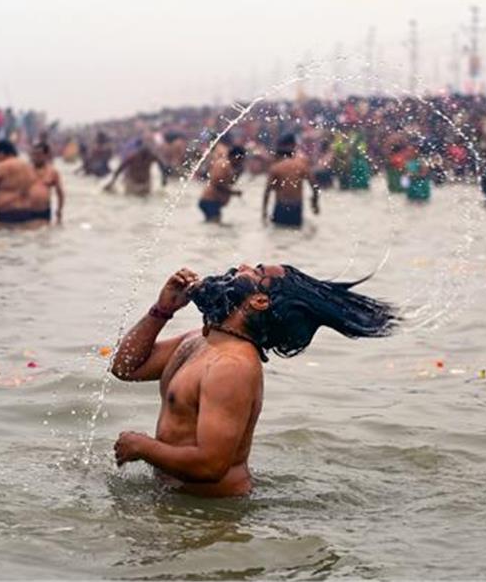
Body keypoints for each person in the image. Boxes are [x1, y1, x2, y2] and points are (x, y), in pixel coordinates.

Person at [111, 263, 395, 497]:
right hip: (177, 500)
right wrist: (163, 309)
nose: (241, 266)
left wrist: (142, 447)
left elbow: (211, 466)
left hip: (212, 517)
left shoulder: (232, 366)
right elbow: (125, 368)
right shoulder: (200, 339)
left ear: (258, 301)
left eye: (256, 271)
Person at [0, 140, 46, 224]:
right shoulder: (27, 166)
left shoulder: (2, 166)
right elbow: (33, 184)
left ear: (1, 153)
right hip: (26, 211)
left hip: (7, 212)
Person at [262, 134, 319, 227]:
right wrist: (315, 204)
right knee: (296, 235)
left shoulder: (276, 167)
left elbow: (267, 191)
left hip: (281, 207)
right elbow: (315, 186)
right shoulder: (302, 165)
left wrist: (264, 213)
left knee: (278, 235)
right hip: (296, 207)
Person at [198, 145, 246, 223]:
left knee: (214, 224)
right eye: (240, 160)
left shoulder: (229, 166)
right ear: (235, 157)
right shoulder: (223, 164)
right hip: (210, 200)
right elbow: (217, 183)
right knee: (214, 224)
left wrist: (238, 173)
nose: (241, 162)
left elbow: (229, 182)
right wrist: (233, 192)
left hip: (213, 201)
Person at [104, 139, 168, 196]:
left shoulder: (151, 157)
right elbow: (120, 168)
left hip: (145, 183)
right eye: (143, 156)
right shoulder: (133, 157)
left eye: (146, 156)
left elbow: (162, 166)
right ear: (139, 153)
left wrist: (164, 178)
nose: (144, 158)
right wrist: (112, 181)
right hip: (132, 182)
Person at [27, 141, 65, 224]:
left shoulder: (52, 172)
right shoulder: (26, 170)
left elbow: (60, 193)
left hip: (44, 211)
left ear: (46, 155)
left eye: (39, 154)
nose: (36, 157)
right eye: (34, 154)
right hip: (26, 210)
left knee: (44, 233)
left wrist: (59, 210)